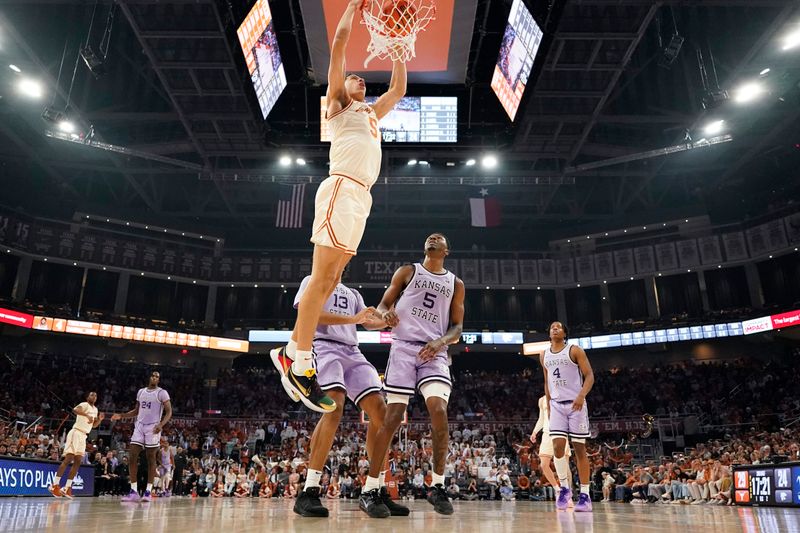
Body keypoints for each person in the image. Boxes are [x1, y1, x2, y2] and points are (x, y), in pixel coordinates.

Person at [270, 0, 408, 413]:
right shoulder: (338, 106)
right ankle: (300, 360)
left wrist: (401, 45)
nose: (359, 79)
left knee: (330, 282)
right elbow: (341, 43)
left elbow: (399, 89)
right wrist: (355, 4)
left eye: (362, 79)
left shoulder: (369, 112)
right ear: (339, 90)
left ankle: (294, 353)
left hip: (361, 197)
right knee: (320, 278)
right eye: (353, 79)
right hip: (340, 189)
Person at [288, 275, 407, 518]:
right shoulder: (313, 280)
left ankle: (375, 489)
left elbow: (367, 321)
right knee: (334, 406)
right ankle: (309, 491)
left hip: (352, 351)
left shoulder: (352, 293)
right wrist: (352, 319)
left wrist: (386, 319)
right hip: (323, 346)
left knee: (381, 413)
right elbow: (308, 316)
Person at [368, 233, 465, 515]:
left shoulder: (455, 283)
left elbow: (457, 328)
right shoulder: (408, 271)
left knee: (439, 410)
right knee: (393, 417)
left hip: (433, 352)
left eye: (440, 238)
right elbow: (383, 304)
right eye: (430, 237)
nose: (433, 237)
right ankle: (371, 488)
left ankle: (437, 486)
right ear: (426, 247)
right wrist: (386, 315)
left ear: (447, 251)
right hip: (403, 348)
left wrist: (440, 343)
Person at [541, 321, 595, 512]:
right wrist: (548, 402)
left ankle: (585, 495)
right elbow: (547, 381)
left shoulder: (575, 350)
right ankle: (564, 489)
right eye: (552, 327)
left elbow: (589, 376)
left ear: (565, 333)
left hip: (575, 404)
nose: (554, 328)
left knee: (579, 448)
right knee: (557, 447)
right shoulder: (544, 354)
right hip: (556, 405)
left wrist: (581, 395)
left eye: (558, 327)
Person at [111, 371, 173, 502]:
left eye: (157, 376)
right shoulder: (141, 392)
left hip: (153, 427)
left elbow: (169, 412)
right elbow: (136, 411)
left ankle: (148, 492)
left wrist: (161, 425)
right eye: (153, 375)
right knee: (132, 456)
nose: (155, 378)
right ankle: (133, 491)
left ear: (159, 380)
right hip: (139, 425)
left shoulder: (162, 393)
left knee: (151, 458)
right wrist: (121, 416)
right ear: (149, 377)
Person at [49, 391, 103, 498]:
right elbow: (75, 410)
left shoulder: (95, 409)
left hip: (84, 436)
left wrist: (99, 420)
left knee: (78, 461)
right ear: (87, 397)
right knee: (68, 459)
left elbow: (94, 425)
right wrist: (86, 414)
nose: (94, 396)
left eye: (96, 395)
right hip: (76, 432)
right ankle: (54, 485)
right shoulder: (84, 405)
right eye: (92, 394)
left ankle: (67, 487)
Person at [530, 394, 573, 504]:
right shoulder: (542, 400)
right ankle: (558, 490)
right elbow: (541, 418)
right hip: (547, 434)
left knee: (564, 468)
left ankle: (568, 495)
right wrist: (535, 431)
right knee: (544, 465)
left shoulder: (563, 395)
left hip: (561, 433)